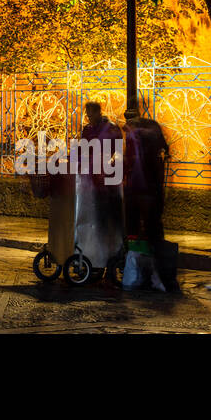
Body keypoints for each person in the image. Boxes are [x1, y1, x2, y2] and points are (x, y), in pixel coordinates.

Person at [75, 101, 124, 285]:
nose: (88, 116)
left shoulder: (111, 130)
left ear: (98, 112)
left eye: (90, 113)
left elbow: (116, 153)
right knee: (92, 224)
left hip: (107, 184)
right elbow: (81, 151)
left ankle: (109, 264)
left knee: (107, 225)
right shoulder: (87, 130)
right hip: (90, 183)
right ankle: (94, 263)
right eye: (87, 113)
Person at [124, 112, 170, 244]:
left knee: (145, 222)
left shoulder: (141, 133)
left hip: (145, 186)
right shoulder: (150, 130)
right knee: (151, 222)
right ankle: (149, 251)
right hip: (147, 186)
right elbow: (164, 148)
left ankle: (143, 253)